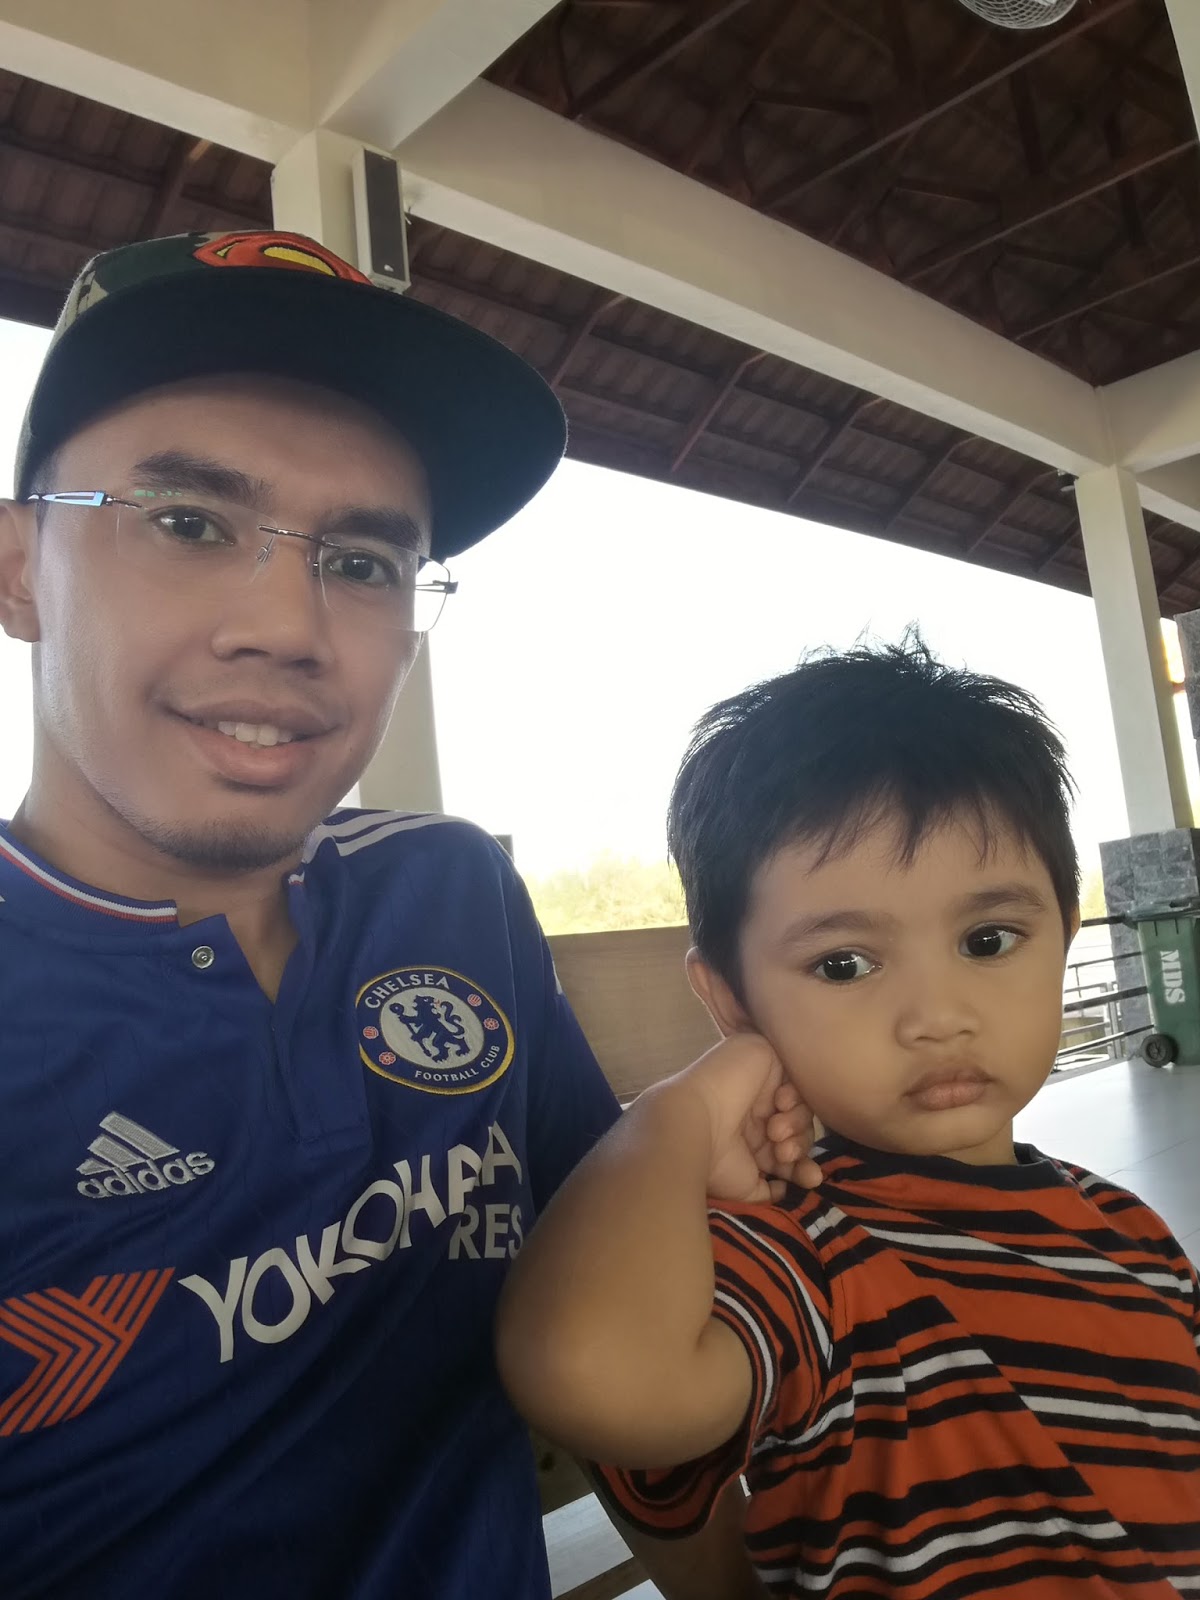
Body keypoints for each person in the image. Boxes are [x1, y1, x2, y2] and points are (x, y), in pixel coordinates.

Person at [0, 230, 811, 1600]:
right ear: (21, 569)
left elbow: (599, 1304)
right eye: (189, 523)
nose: (288, 625)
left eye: (366, 562)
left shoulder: (449, 895)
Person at [497, 638, 1200, 1599]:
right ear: (732, 1000)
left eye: (988, 940)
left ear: (1063, 938)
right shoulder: (800, 1257)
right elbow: (585, 1369)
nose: (937, 1015)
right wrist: (683, 1109)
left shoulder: (1130, 1231)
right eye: (844, 964)